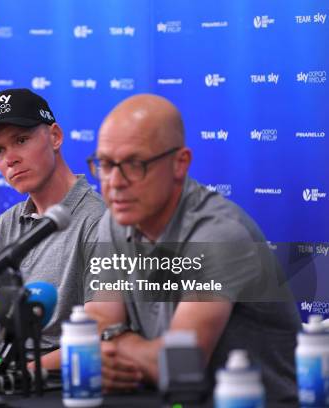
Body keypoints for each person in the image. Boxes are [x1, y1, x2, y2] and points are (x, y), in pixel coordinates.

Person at [84, 94, 300, 403]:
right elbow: (94, 323)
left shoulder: (219, 235)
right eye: (105, 164)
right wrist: (117, 345)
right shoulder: (115, 219)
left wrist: (115, 344)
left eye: (134, 164)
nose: (115, 182)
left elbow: (182, 366)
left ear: (179, 163)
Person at [0, 88, 105, 369]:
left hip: (62, 384)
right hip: (3, 374)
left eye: (21, 140)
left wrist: (18, 374)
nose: (10, 159)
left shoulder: (99, 220)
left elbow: (99, 333)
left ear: (55, 137)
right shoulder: (5, 224)